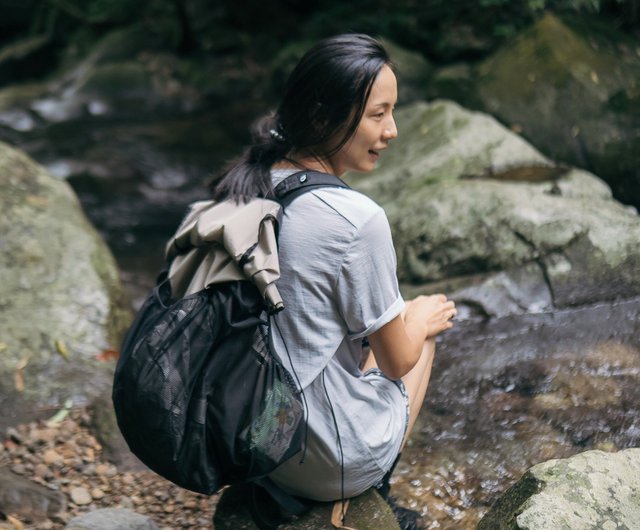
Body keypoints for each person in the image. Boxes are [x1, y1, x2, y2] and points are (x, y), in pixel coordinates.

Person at [212, 34, 456, 527]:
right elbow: (396, 361)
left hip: (250, 434)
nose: (392, 131)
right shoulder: (355, 218)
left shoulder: (248, 182)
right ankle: (369, 488)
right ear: (323, 117)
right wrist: (419, 317)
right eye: (377, 115)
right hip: (319, 463)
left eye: (392, 112)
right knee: (420, 330)